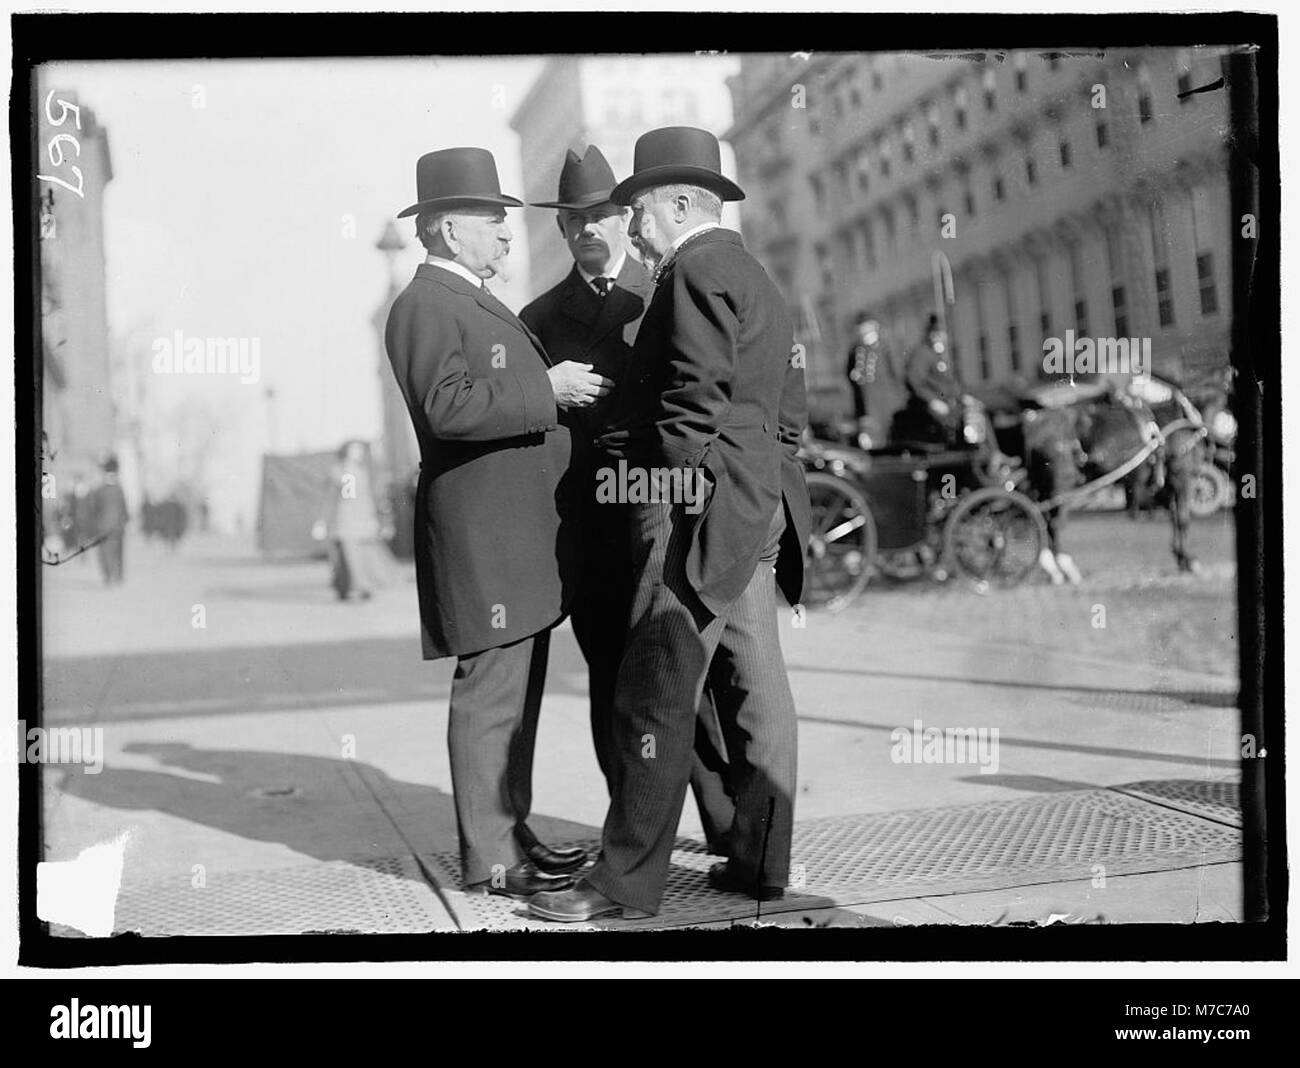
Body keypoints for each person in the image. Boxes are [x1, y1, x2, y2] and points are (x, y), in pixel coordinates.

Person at [529, 126, 811, 922]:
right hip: (756, 511)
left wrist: (665, 490)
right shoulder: (754, 274)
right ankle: (762, 865)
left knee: (652, 694)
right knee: (758, 693)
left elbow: (691, 404)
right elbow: (786, 413)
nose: (632, 227)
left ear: (682, 203)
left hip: (692, 514)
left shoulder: (690, 273)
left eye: (638, 209)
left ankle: (623, 884)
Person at [384, 146, 612, 899]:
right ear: (449, 230)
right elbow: (449, 408)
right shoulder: (425, 305)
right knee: (490, 702)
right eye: (493, 220)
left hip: (512, 545)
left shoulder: (463, 300)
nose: (509, 234)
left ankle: (512, 837)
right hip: (487, 546)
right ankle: (493, 858)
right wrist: (545, 389)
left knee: (514, 702)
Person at [518, 145, 736, 851]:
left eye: (605, 214)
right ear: (561, 230)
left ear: (628, 217)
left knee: (687, 679)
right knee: (614, 681)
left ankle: (727, 826)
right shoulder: (537, 319)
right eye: (575, 218)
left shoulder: (665, 291)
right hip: (589, 532)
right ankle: (636, 831)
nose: (590, 228)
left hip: (666, 515)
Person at [322, 440, 386, 601]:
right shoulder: (345, 471)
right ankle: (359, 586)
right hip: (348, 519)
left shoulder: (358, 471)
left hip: (360, 517)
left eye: (360, 450)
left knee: (356, 555)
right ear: (346, 452)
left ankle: (352, 587)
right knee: (350, 555)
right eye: (355, 450)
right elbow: (344, 497)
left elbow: (364, 497)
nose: (359, 453)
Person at [892, 314, 964, 447]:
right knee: (951, 426)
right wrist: (932, 401)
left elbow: (948, 384)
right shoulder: (922, 354)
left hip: (948, 402)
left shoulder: (938, 356)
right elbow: (914, 381)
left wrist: (961, 397)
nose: (939, 339)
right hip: (930, 405)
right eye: (935, 335)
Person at [844, 311, 904, 449]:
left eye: (867, 327)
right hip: (867, 408)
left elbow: (897, 374)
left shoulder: (886, 347)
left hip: (888, 405)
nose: (864, 331)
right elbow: (850, 376)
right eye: (861, 328)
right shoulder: (855, 351)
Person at [92, 455, 128, 585]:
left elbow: (94, 510)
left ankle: (111, 575)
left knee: (108, 552)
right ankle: (113, 575)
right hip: (113, 527)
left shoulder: (101, 490)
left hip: (107, 527)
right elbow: (124, 509)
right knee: (113, 552)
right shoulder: (117, 489)